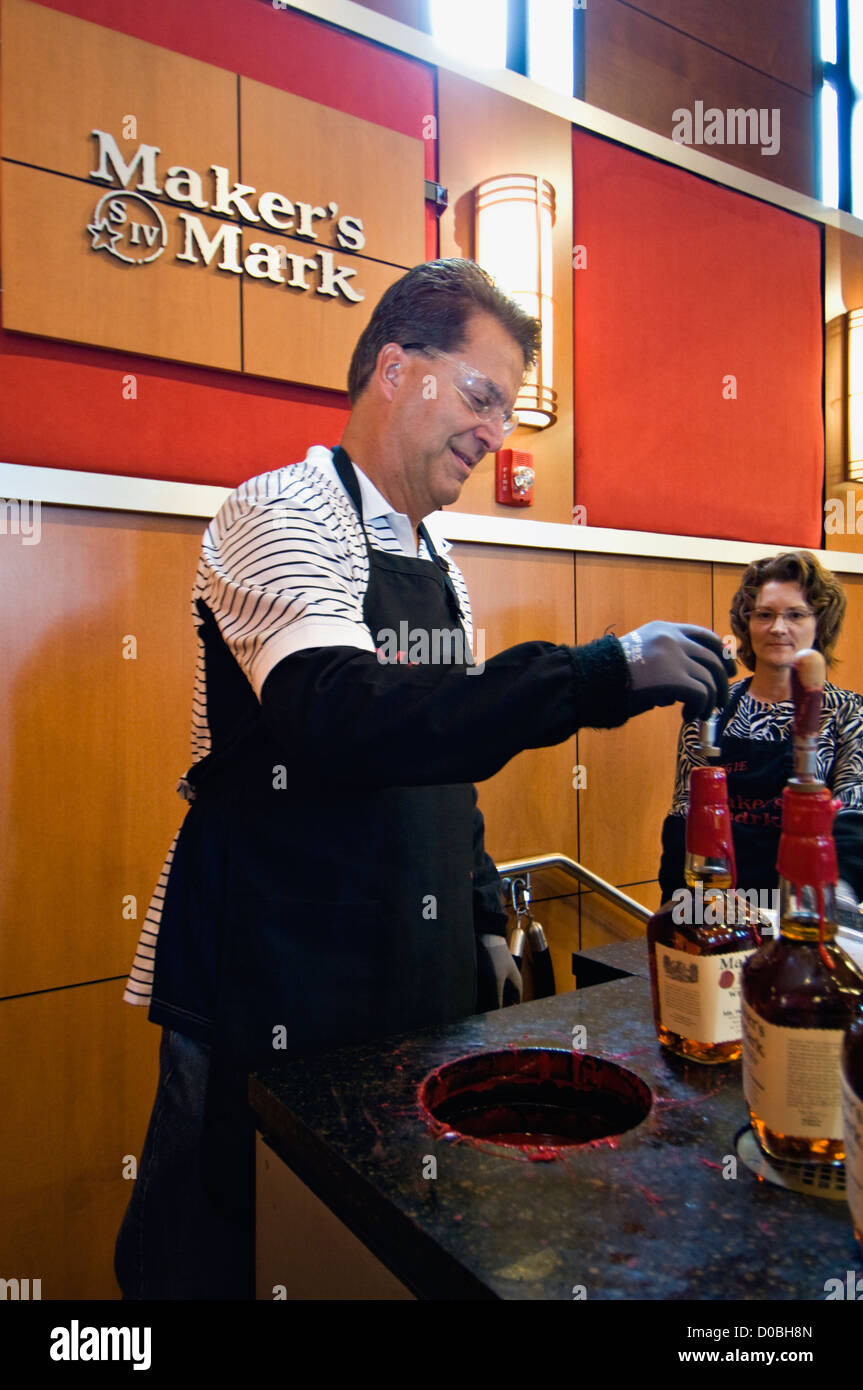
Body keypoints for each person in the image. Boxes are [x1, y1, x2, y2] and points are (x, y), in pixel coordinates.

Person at [115, 258, 733, 1299]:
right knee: (227, 1241)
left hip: (410, 966)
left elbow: (436, 743)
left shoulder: (436, 558)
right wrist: (595, 671)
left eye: (505, 410)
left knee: (375, 1245)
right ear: (394, 369)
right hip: (272, 965)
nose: (496, 434)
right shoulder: (277, 511)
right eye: (480, 395)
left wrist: (483, 910)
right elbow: (337, 717)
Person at [658, 549, 863, 908]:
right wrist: (681, 905)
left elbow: (853, 815)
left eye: (796, 615)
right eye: (764, 615)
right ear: (747, 624)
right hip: (719, 905)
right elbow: (685, 813)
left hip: (806, 907)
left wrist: (830, 901)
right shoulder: (713, 707)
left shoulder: (847, 713)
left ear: (820, 625)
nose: (778, 628)